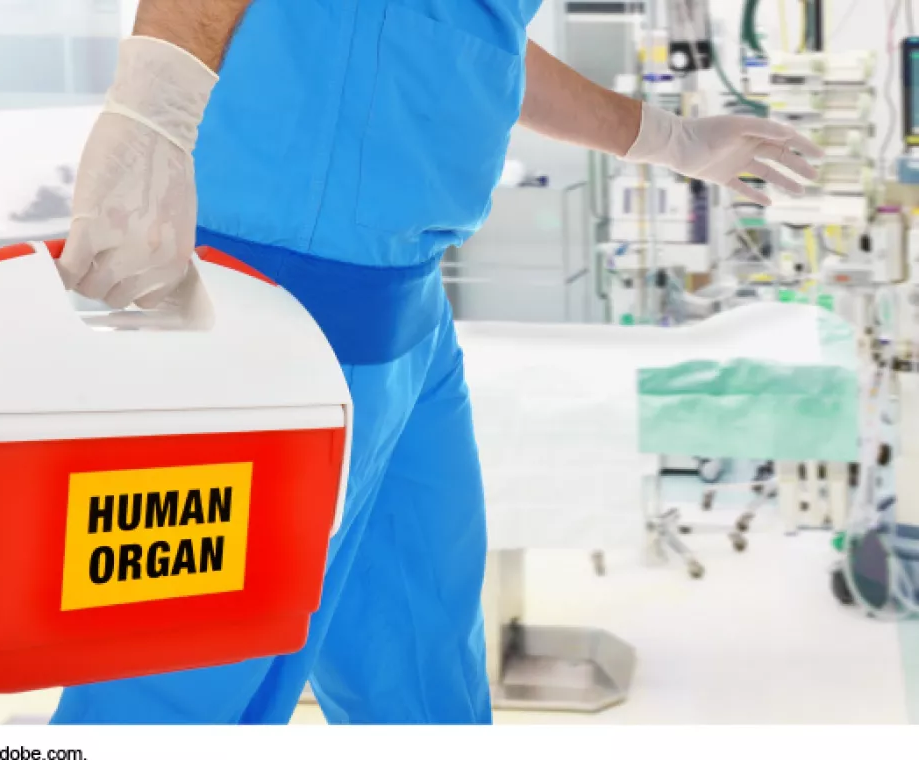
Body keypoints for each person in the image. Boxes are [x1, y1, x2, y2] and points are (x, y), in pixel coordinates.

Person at [50, 0, 822, 725]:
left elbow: (479, 44)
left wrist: (666, 138)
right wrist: (153, 105)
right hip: (260, 306)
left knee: (422, 674)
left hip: (408, 310)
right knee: (171, 689)